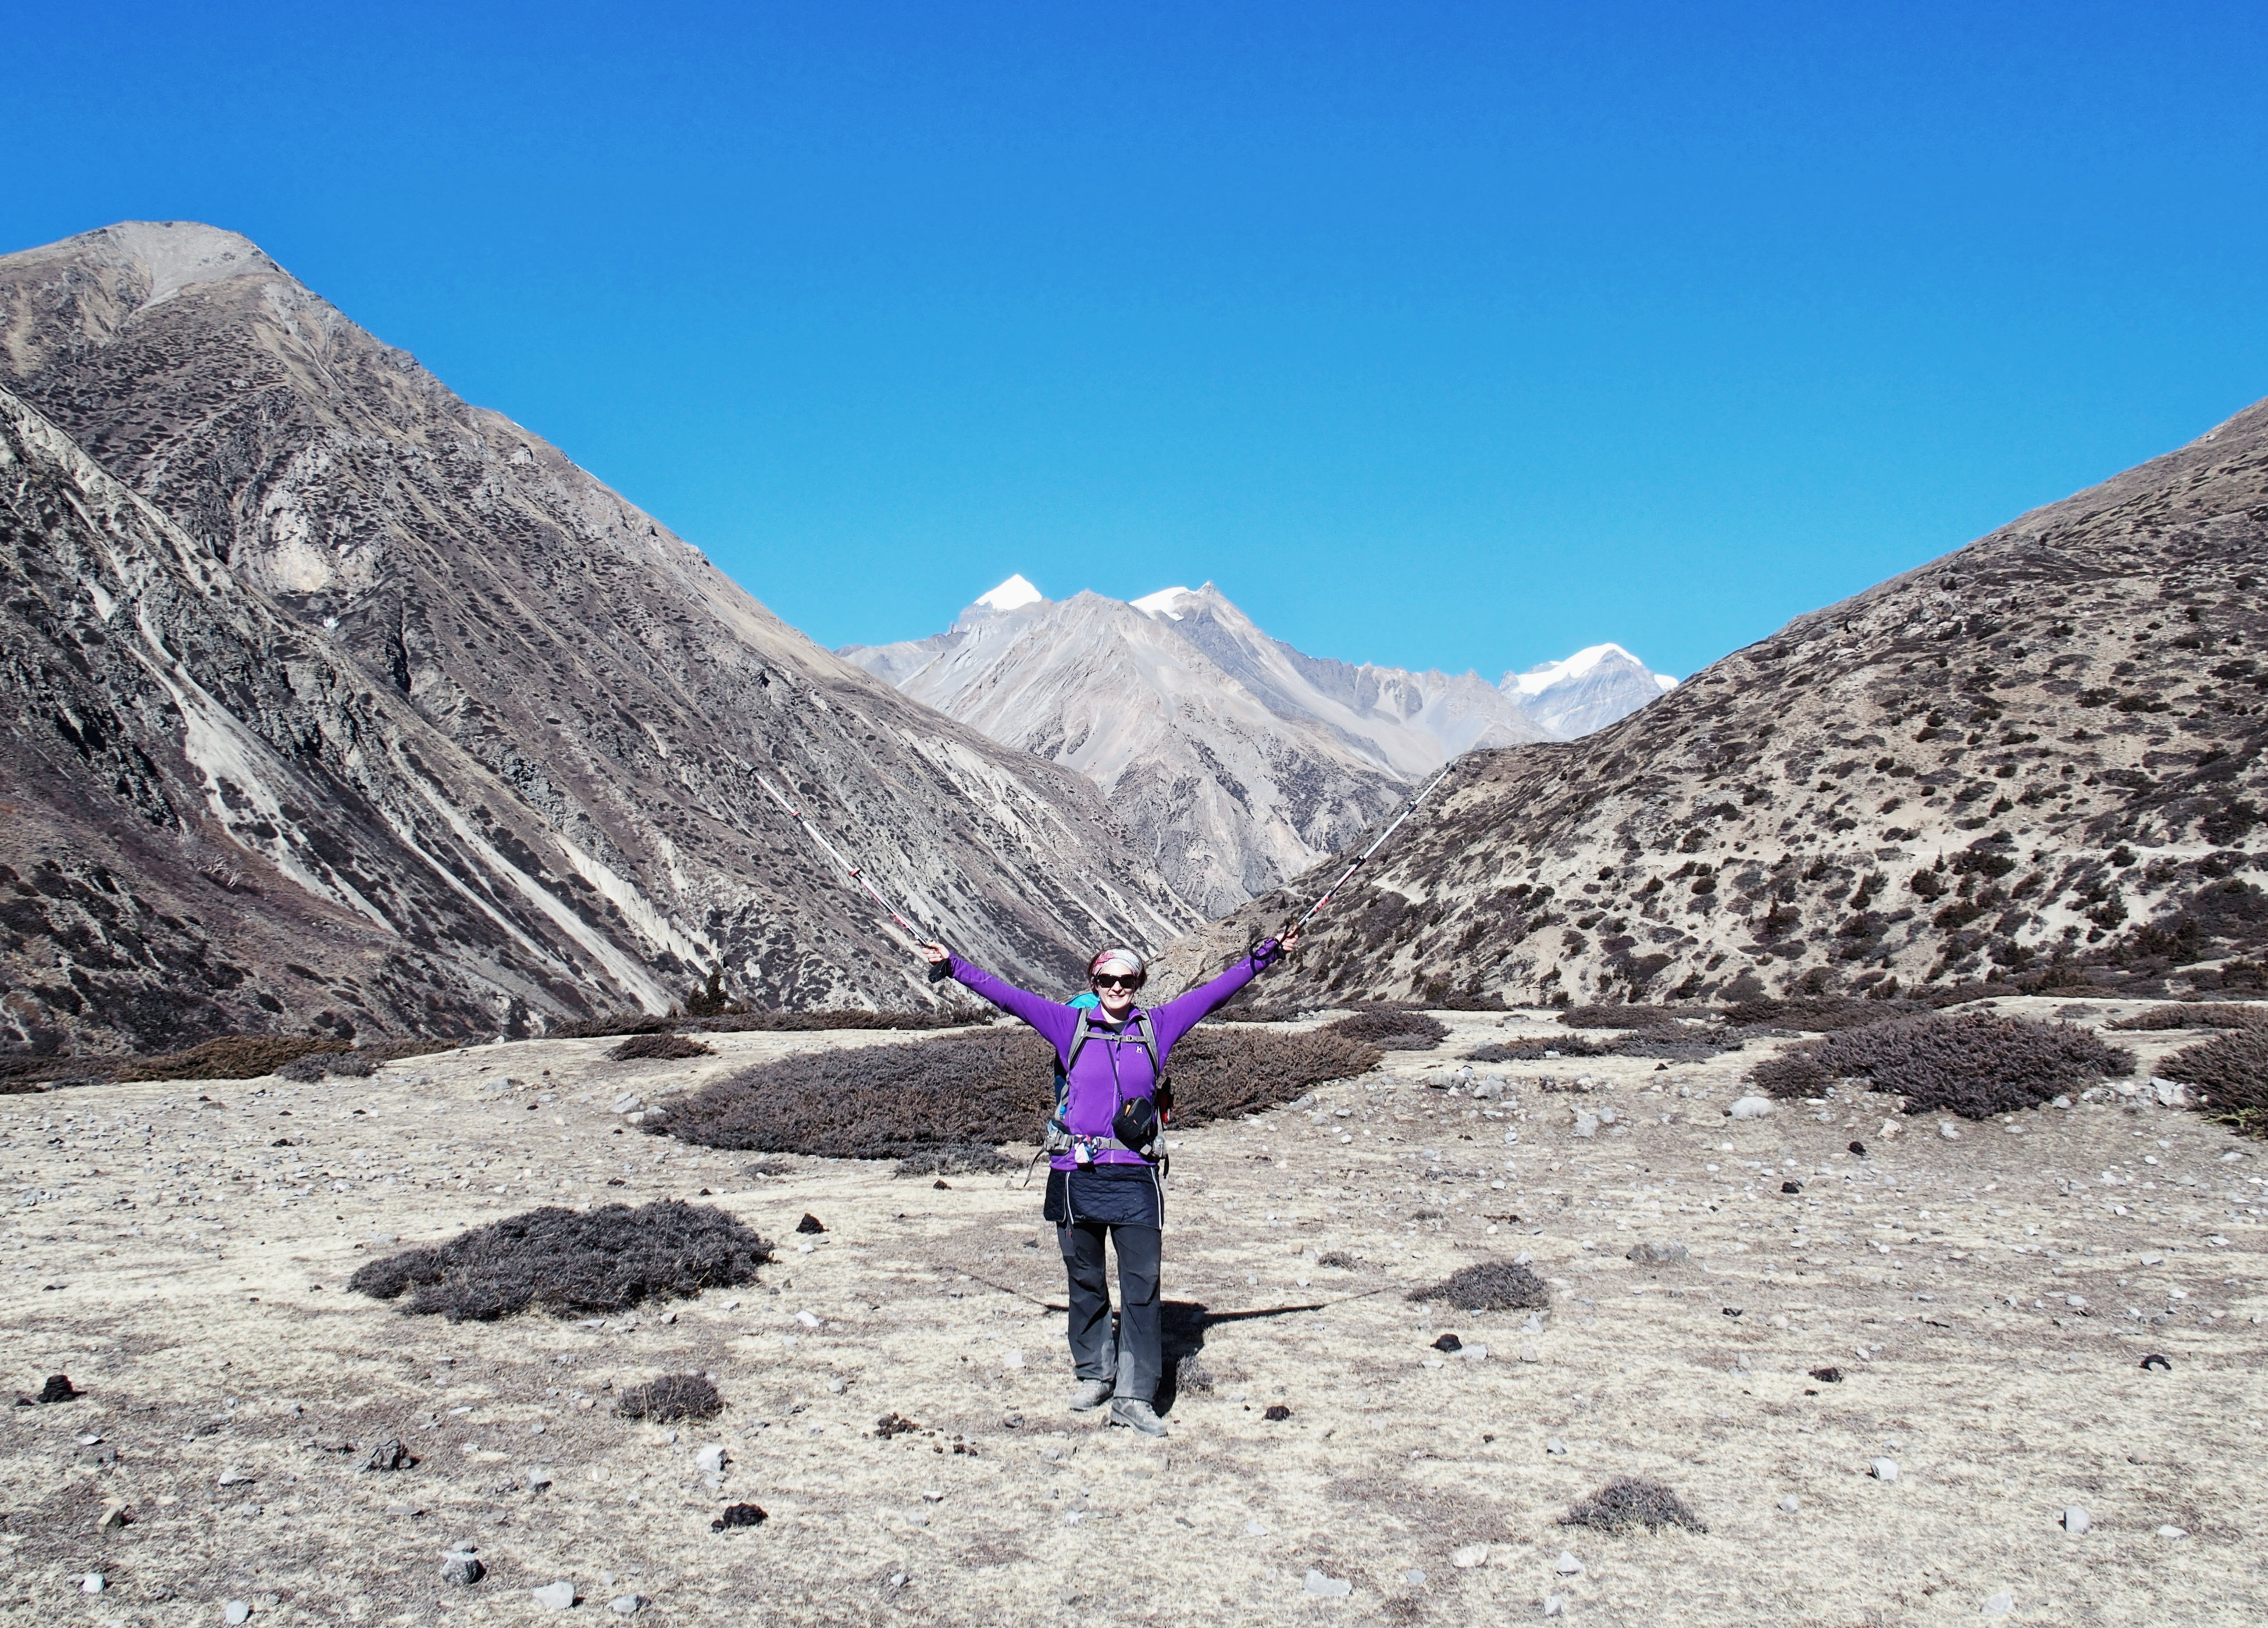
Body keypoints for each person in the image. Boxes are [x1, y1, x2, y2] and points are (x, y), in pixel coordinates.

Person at [919, 933, 1298, 1436]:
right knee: (1086, 1282)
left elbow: (1216, 992)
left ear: (1139, 983)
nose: (1116, 986)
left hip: (1135, 1177)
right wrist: (954, 966)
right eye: (1107, 979)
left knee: (1142, 1288)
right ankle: (1094, 1373)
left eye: (1126, 979)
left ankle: (1135, 1396)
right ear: (1093, 983)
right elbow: (1006, 995)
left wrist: (1266, 957)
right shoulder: (1068, 1023)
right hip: (1076, 1175)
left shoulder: (1158, 1026)